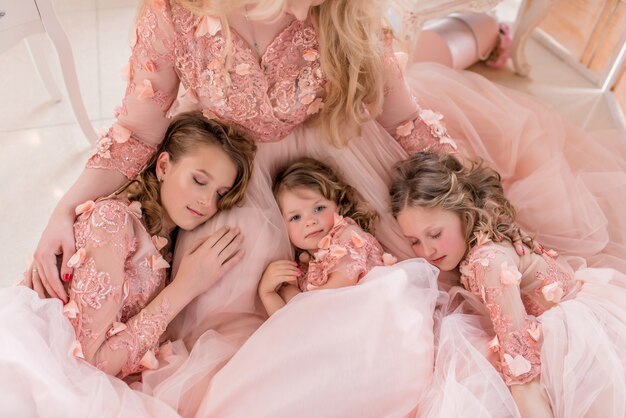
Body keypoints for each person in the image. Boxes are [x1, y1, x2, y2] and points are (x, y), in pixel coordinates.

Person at [23, 0, 626, 413]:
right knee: (227, 324)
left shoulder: (341, 13)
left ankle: (485, 30)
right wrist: (65, 210)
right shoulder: (175, 12)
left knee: (423, 263)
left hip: (336, 160)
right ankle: (478, 32)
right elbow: (137, 129)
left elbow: (407, 118)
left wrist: (475, 205)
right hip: (237, 175)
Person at [3, 111, 256, 417]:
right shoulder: (112, 221)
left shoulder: (168, 246)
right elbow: (88, 361)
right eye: (199, 180)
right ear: (163, 166)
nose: (207, 202)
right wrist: (185, 287)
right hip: (46, 371)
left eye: (220, 194)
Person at [391, 152, 626, 418]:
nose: (427, 250)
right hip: (558, 329)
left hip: (576, 346)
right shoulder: (479, 241)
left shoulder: (487, 262)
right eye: (414, 241)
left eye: (434, 234)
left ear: (464, 215)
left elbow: (521, 364)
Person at [258, 157, 397, 315]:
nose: (310, 221)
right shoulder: (302, 269)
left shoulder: (348, 234)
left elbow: (343, 282)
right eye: (296, 217)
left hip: (373, 311)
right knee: (287, 293)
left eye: (318, 208)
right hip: (338, 327)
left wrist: (298, 302)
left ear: (337, 204)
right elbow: (289, 323)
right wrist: (268, 293)